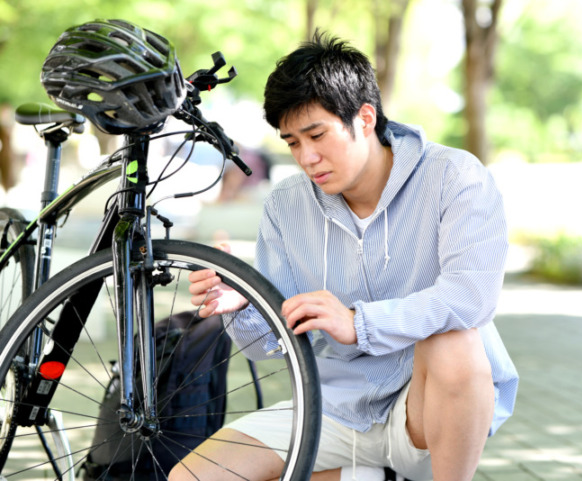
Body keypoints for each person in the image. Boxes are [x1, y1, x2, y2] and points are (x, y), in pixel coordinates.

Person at [169, 32, 518, 481]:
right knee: (191, 478)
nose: (307, 158)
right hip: (334, 405)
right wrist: (240, 302)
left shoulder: (455, 177)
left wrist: (358, 323)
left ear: (365, 117)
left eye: (317, 134)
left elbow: (471, 298)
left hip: (431, 415)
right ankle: (369, 476)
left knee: (455, 338)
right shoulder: (287, 204)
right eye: (292, 143)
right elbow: (265, 346)